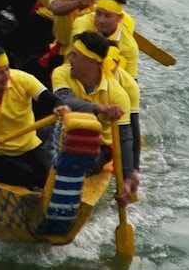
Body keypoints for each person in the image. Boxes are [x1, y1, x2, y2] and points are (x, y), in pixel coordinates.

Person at [46, 31, 138, 199]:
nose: (69, 60)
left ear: (90, 61)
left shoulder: (118, 95)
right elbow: (64, 100)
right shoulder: (62, 73)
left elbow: (125, 139)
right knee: (41, 140)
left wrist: (126, 178)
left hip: (97, 146)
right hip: (62, 132)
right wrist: (98, 108)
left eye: (74, 56)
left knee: (77, 162)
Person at [0, 44, 60, 189]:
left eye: (7, 70)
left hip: (29, 147)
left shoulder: (22, 79)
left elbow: (51, 99)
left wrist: (60, 107)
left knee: (51, 180)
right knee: (28, 177)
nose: (6, 77)